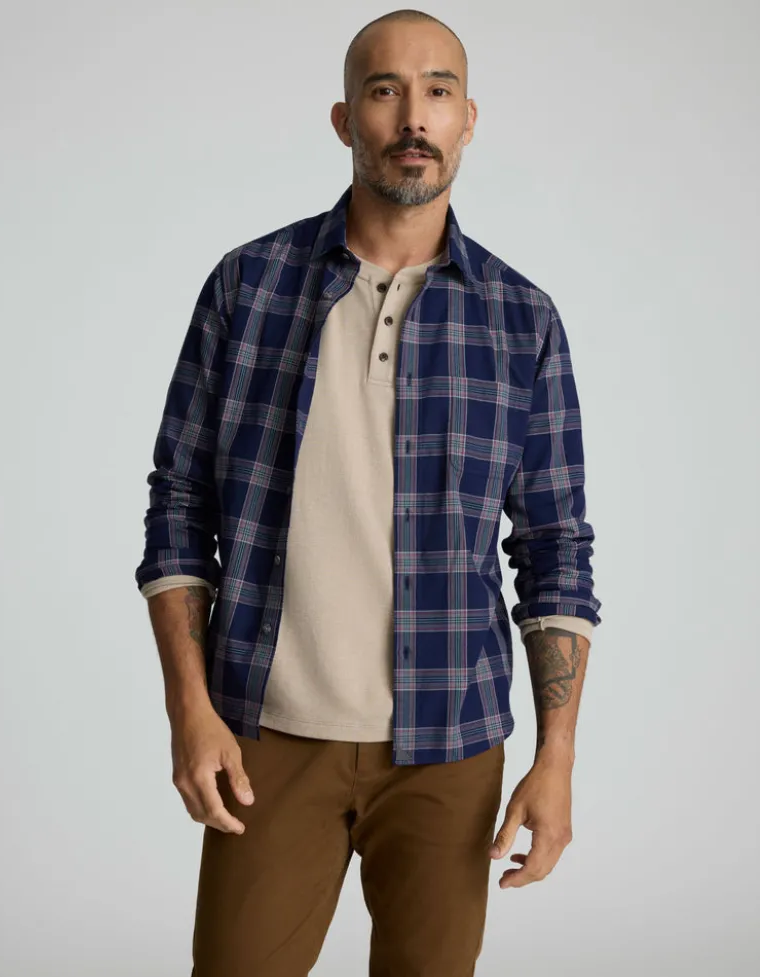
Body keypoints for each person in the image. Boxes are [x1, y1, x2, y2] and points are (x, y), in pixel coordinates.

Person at [135, 8, 602, 976]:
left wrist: (555, 756)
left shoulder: (521, 319)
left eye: (437, 91)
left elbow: (555, 545)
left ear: (468, 119)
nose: (412, 117)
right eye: (385, 90)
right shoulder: (248, 287)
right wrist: (190, 706)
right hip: (265, 734)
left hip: (450, 743)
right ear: (346, 119)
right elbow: (178, 504)